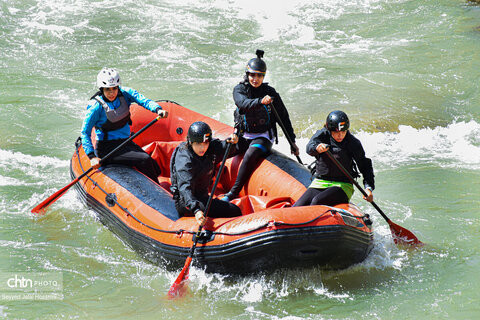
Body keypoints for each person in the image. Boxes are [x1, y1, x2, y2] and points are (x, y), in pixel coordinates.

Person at [221, 49, 300, 202]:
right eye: (252, 75)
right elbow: (242, 103)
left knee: (250, 154)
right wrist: (260, 101)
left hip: (263, 137)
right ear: (247, 74)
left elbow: (283, 117)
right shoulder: (240, 89)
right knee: (222, 149)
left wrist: (292, 142)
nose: (255, 79)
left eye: (259, 76)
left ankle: (233, 192)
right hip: (243, 135)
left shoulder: (271, 93)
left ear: (263, 76)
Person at [80, 67, 167, 184]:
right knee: (144, 160)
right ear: (102, 89)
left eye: (114, 88)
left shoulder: (125, 94)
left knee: (154, 166)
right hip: (107, 149)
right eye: (107, 89)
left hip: (125, 142)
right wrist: (92, 157)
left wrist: (157, 109)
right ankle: (158, 190)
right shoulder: (96, 107)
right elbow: (85, 132)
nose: (112, 93)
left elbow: (143, 100)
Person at [293, 110, 375, 207]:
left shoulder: (353, 143)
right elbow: (309, 148)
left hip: (343, 185)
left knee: (316, 202)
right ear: (329, 130)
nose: (340, 135)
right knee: (298, 205)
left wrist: (368, 188)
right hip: (321, 182)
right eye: (337, 132)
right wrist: (317, 148)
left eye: (343, 131)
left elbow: (365, 166)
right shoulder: (322, 135)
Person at [170, 121, 242, 226]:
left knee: (235, 210)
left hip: (202, 196)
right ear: (191, 142)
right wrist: (196, 210)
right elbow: (185, 188)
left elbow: (223, 147)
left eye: (205, 143)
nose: (202, 148)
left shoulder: (209, 146)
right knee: (231, 211)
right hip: (185, 201)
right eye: (198, 144)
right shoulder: (185, 159)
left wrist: (231, 142)